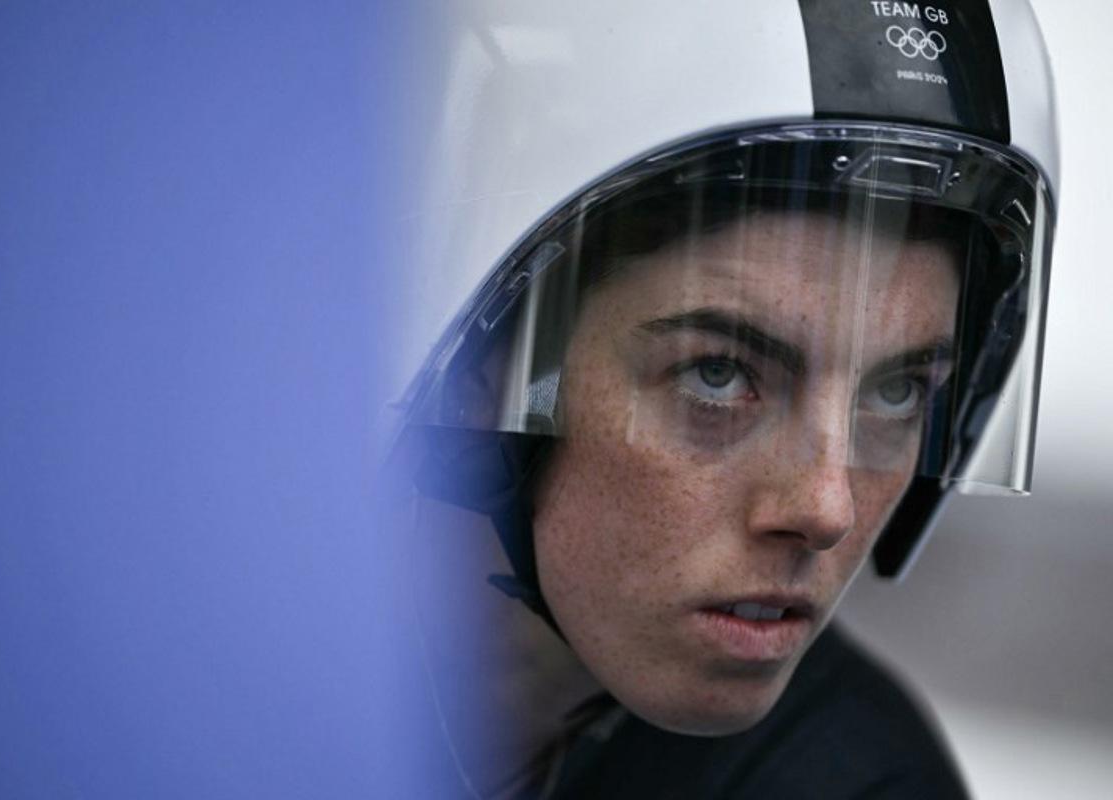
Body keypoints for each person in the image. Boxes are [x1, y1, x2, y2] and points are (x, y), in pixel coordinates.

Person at [386, 1, 1058, 796]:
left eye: (897, 390)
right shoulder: (224, 671)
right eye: (719, 375)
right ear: (479, 366)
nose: (826, 508)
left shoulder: (858, 781)